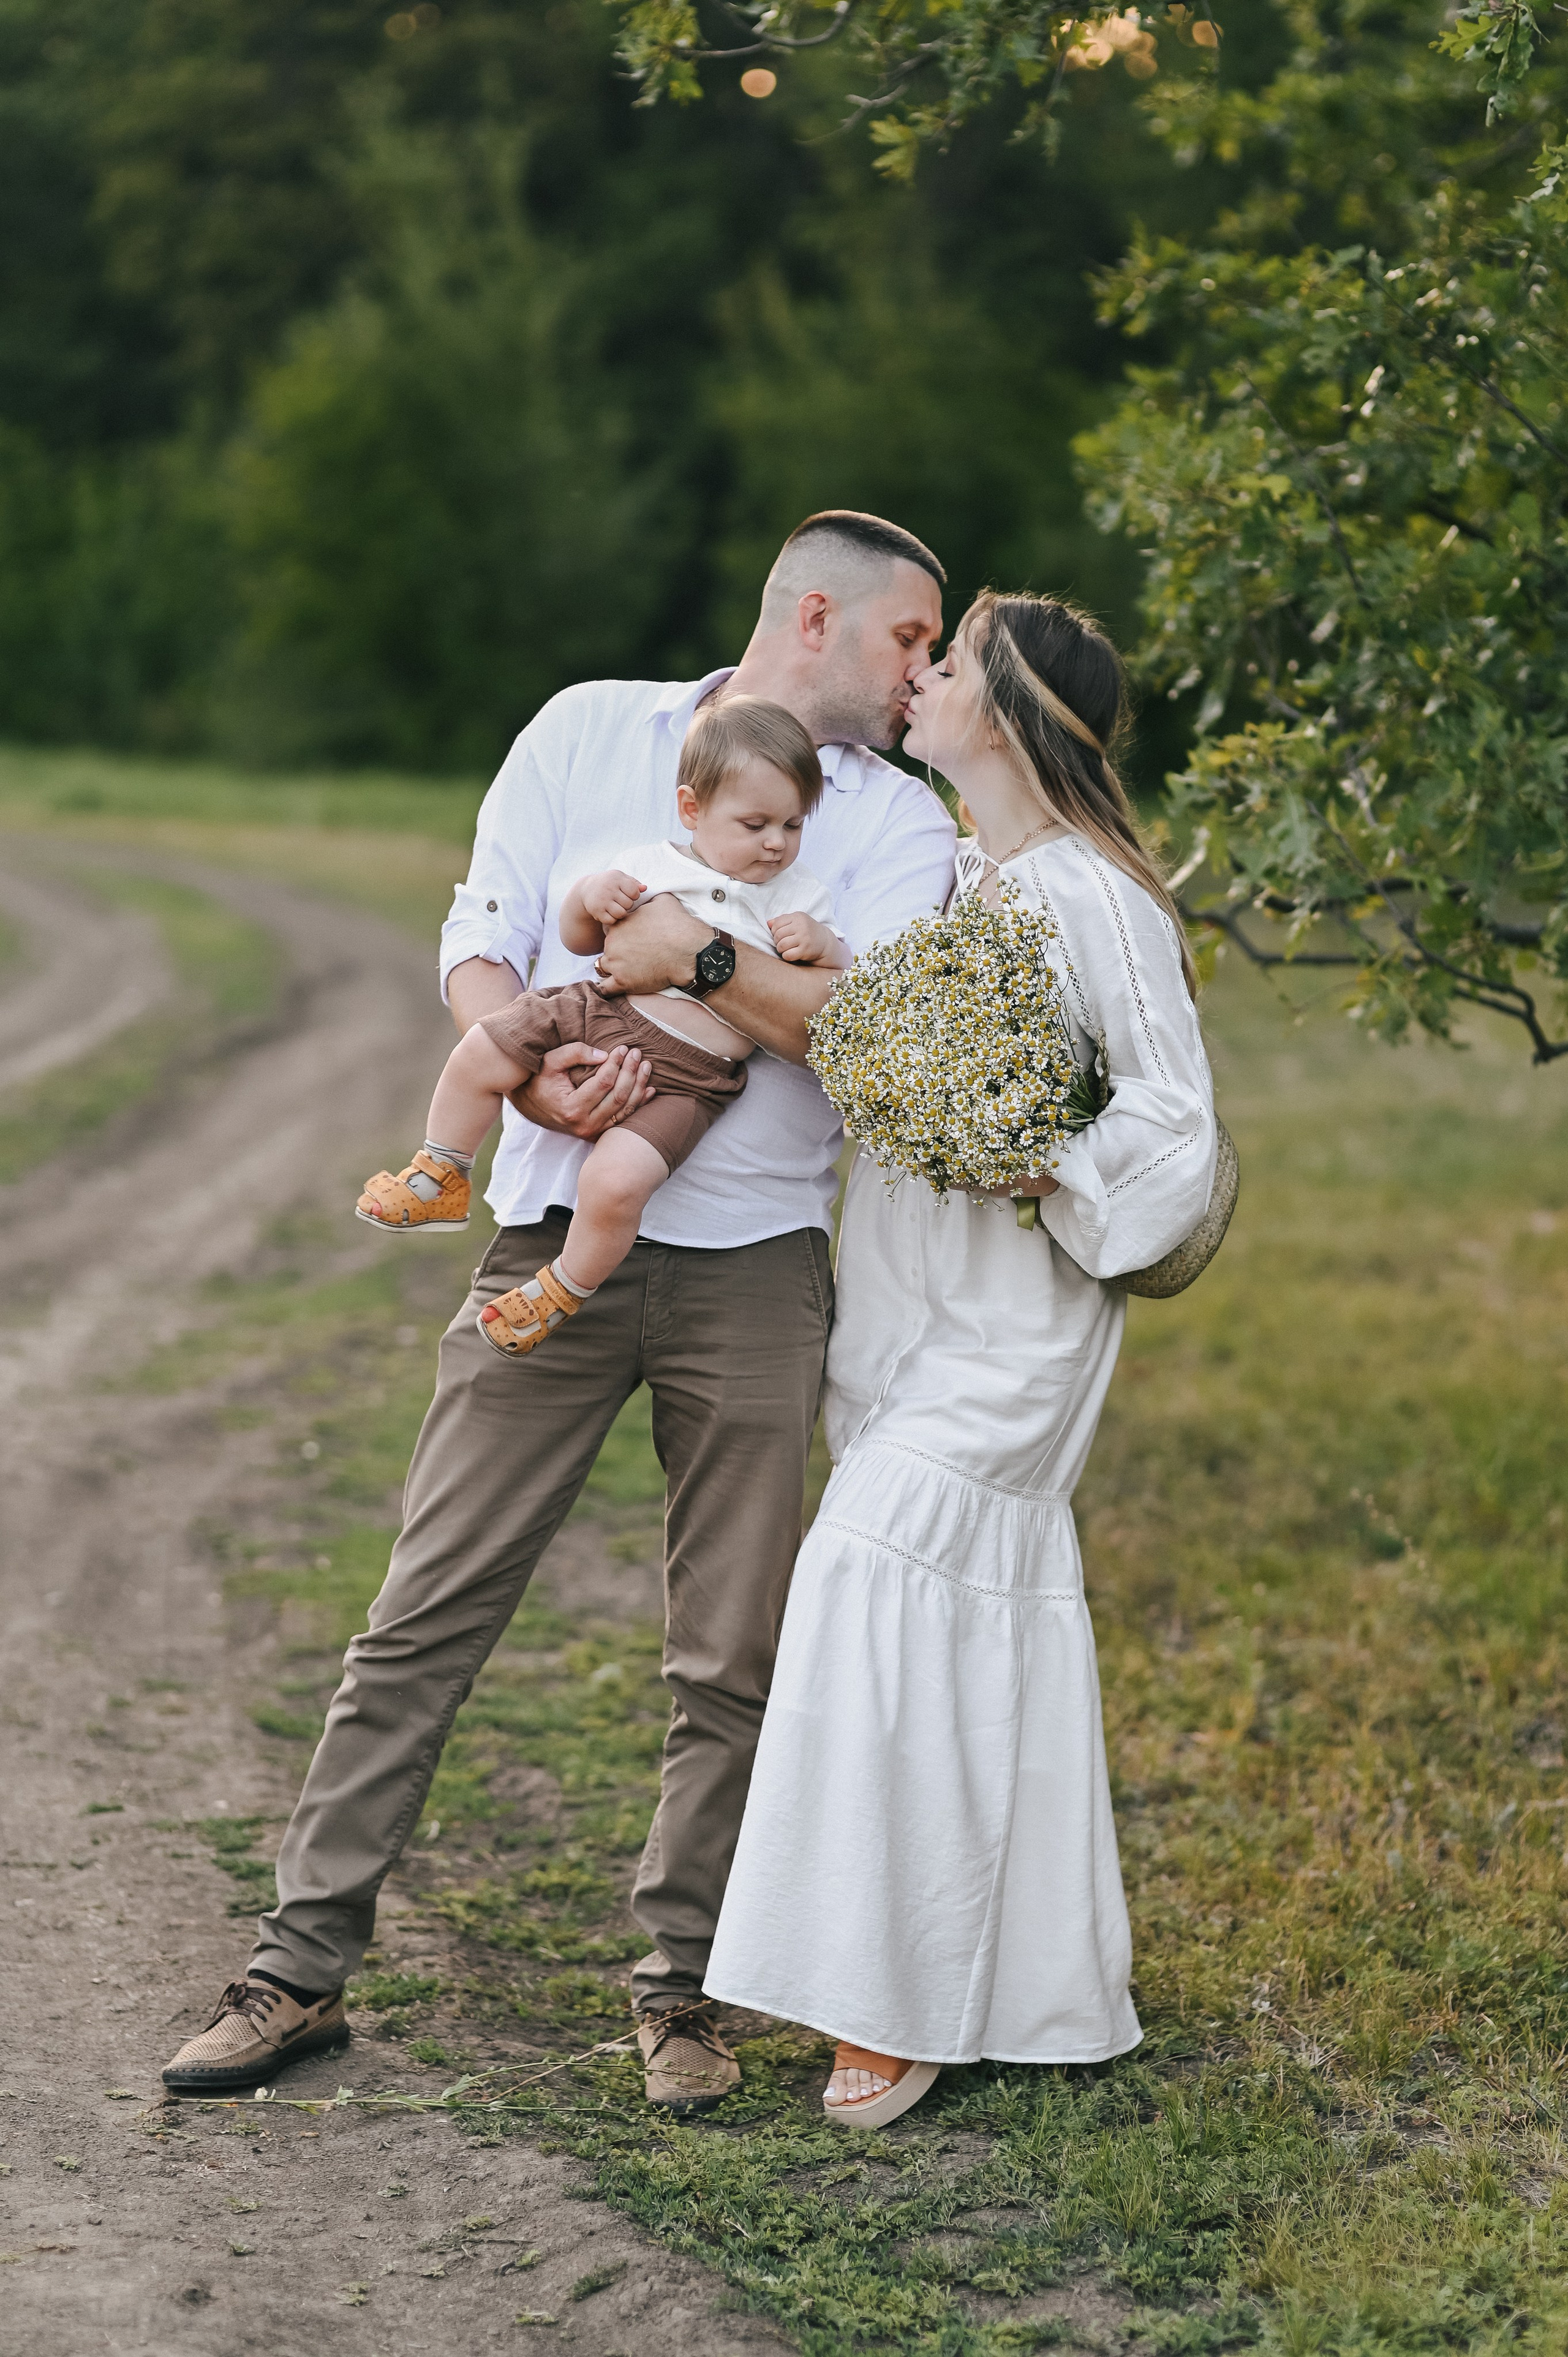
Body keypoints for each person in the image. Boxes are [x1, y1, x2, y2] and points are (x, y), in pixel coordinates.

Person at [162, 510, 955, 2111]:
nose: (927, 677)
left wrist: (689, 955)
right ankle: (296, 1968)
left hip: (757, 1269)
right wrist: (536, 1051)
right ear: (816, 615)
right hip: (546, 1232)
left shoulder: (901, 825)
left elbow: (862, 1037)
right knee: (426, 1604)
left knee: (728, 1653)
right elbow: (488, 937)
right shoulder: (590, 728)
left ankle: (682, 1992)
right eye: (911, 642)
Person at [703, 590, 1218, 2127]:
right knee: (925, 1624)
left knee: (871, 1581)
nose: (916, 677)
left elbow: (1173, 1127)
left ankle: (899, 1997)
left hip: (1014, 1329)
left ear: (1004, 711)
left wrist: (1036, 1165)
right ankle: (1005, 1982)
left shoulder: (1092, 897)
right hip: (909, 1313)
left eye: (947, 662)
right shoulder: (963, 875)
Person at [352, 697, 844, 1362]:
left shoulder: (797, 893)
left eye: (792, 823)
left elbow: (835, 981)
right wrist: (589, 898)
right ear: (692, 809)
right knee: (481, 1050)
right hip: (597, 1011)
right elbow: (580, 937)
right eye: (754, 823)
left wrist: (821, 942)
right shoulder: (651, 862)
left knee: (617, 1184)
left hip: (689, 1077)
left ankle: (561, 1287)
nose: (775, 843)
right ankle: (443, 1167)